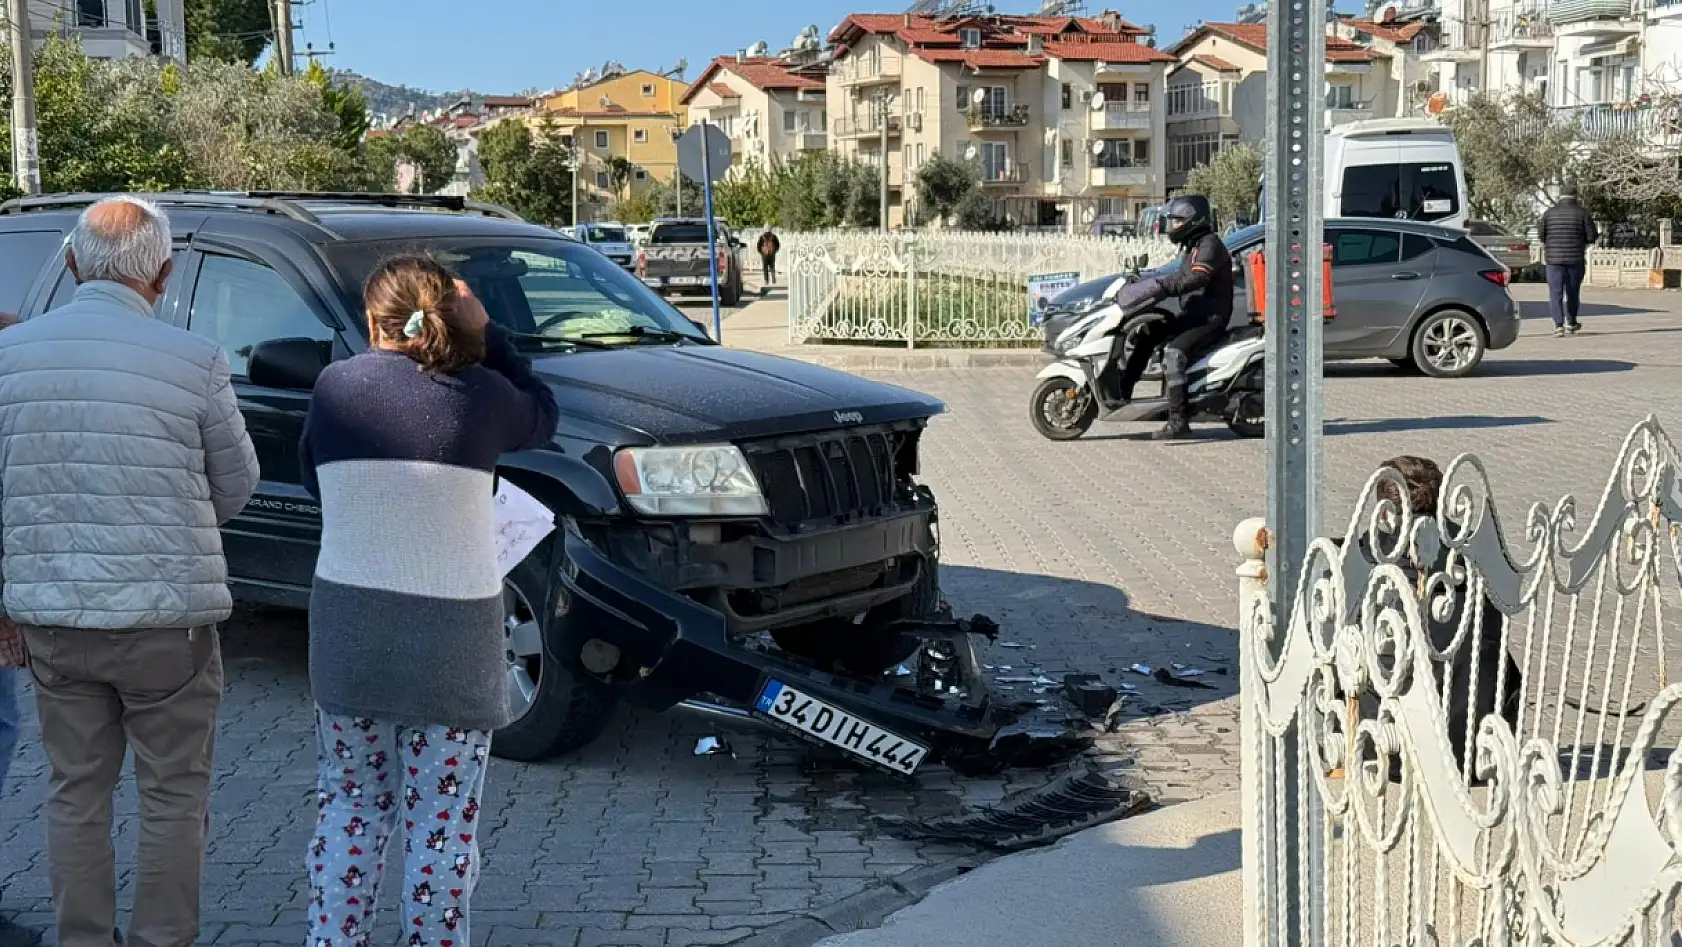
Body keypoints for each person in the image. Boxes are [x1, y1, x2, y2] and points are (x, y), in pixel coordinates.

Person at [0, 196, 259, 947]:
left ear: (75, 264)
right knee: (175, 794)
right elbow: (236, 485)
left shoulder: (9, 359)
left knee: (74, 791)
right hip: (166, 624)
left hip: (52, 620)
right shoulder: (198, 360)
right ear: (164, 276)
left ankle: (82, 938)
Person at [299, 256, 559, 947]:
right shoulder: (481, 394)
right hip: (453, 648)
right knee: (441, 831)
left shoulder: (333, 388)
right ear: (448, 313)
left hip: (349, 638)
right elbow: (545, 416)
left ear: (371, 320)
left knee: (348, 809)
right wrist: (493, 335)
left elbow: (313, 478)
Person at [1361, 455, 1523, 782]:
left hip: (1392, 755)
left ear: (1386, 507)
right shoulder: (1476, 550)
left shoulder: (1367, 554)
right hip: (1472, 757)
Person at [1112, 193, 1234, 440]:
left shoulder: (1209, 245)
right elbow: (1178, 276)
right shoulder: (1194, 247)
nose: (1174, 226)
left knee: (1173, 354)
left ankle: (1179, 421)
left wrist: (1166, 287)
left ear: (1194, 220)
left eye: (1178, 221)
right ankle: (1122, 393)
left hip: (1209, 318)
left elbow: (1197, 277)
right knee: (1147, 332)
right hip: (1192, 314)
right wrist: (1148, 283)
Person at [1537, 183, 1598, 337]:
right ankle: (1571, 323)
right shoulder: (1582, 213)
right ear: (1576, 196)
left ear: (1560, 196)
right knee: (1573, 292)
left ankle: (1558, 325)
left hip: (1553, 260)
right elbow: (1591, 237)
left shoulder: (1549, 214)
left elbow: (1541, 235)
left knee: (1555, 293)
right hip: (1575, 259)